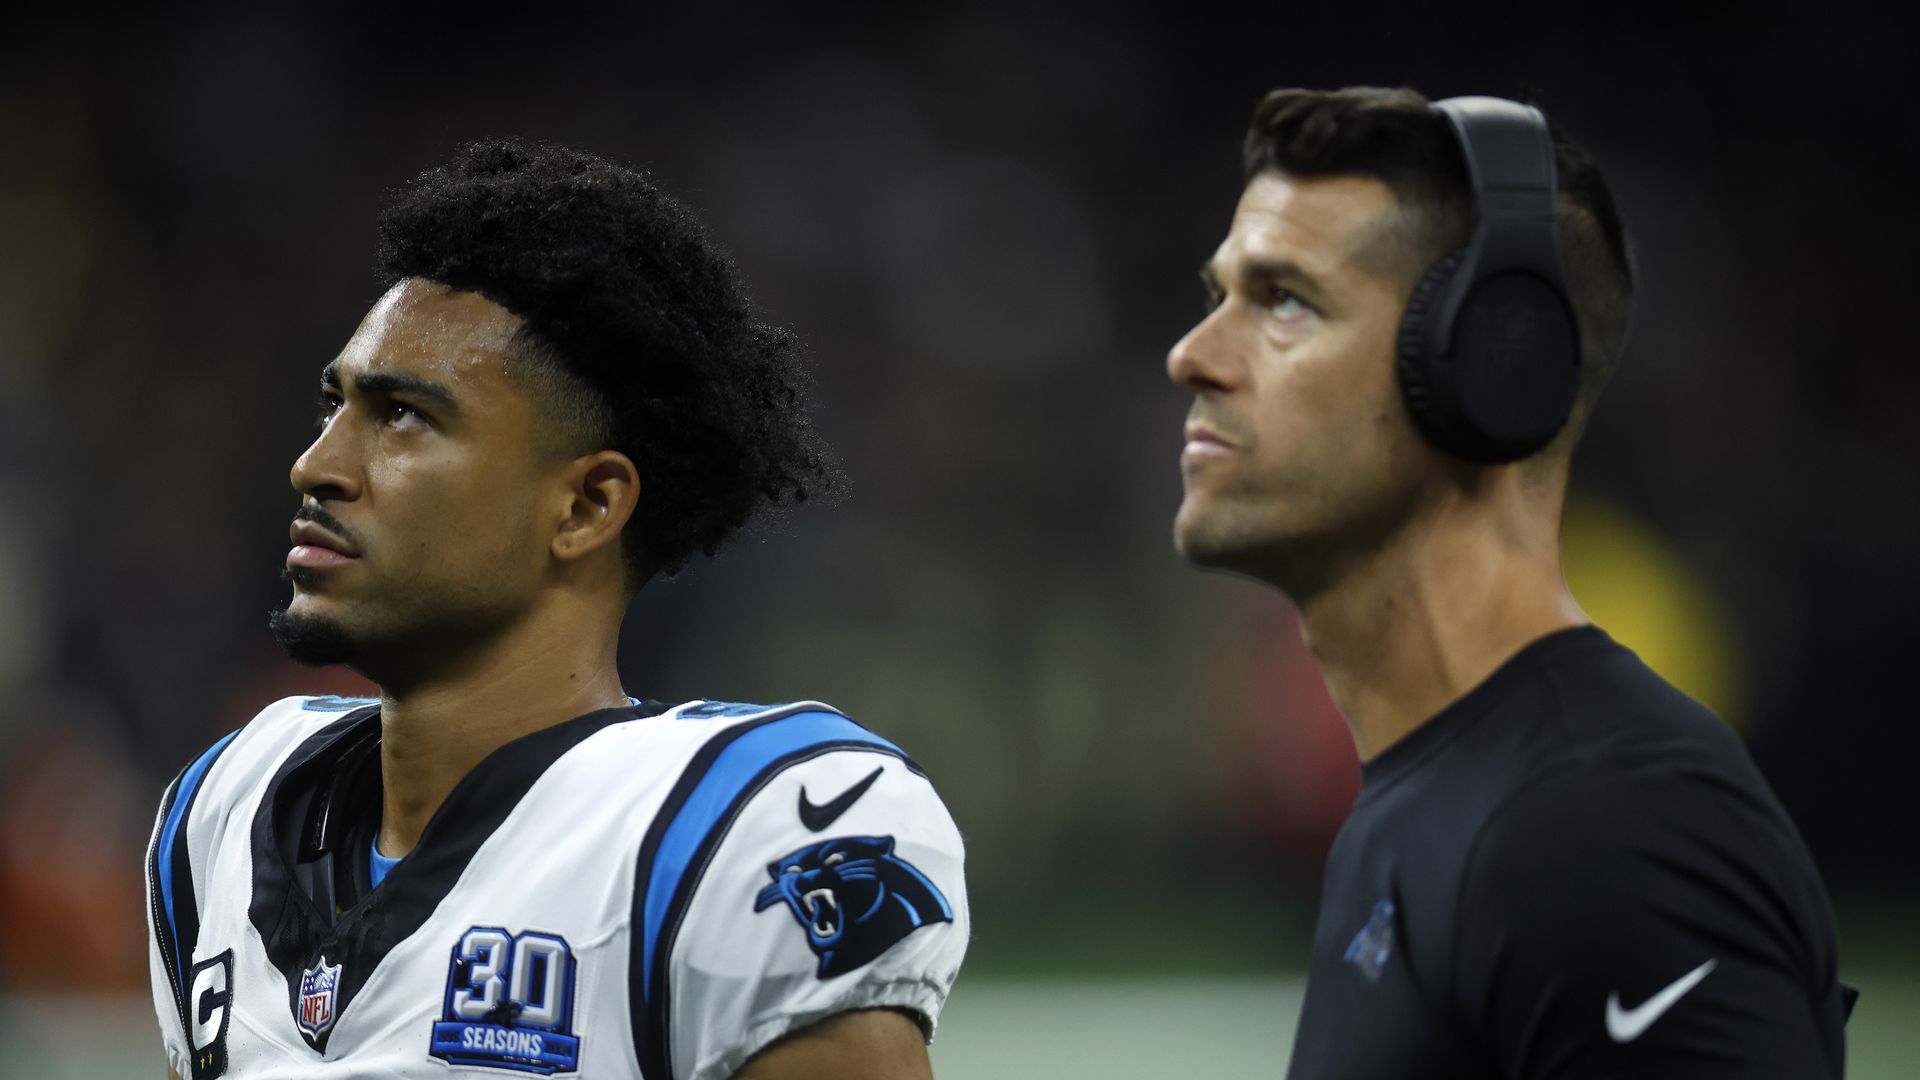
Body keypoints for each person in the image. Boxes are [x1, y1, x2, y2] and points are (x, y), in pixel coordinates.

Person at [144, 139, 968, 1080]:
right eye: (333, 405)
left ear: (586, 506)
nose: (318, 465)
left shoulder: (737, 832)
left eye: (403, 415)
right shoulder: (225, 807)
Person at [1167, 87, 1851, 1077]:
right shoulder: (1439, 805)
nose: (1192, 354)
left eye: (1283, 300)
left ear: (1488, 366)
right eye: (1216, 296)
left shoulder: (1606, 833)